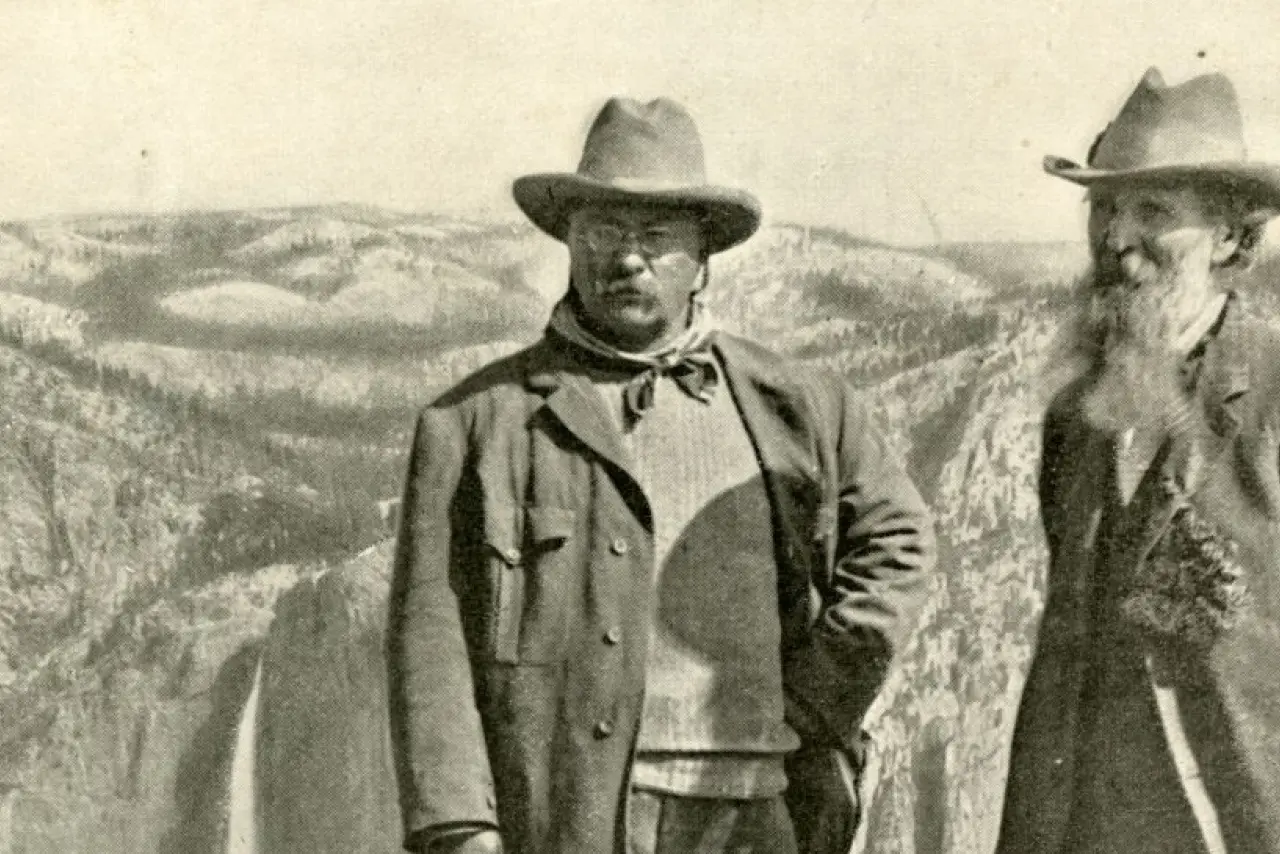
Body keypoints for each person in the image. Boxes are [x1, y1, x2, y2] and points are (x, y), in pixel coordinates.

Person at [385, 96, 936, 854]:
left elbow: (899, 543)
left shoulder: (802, 407)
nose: (627, 259)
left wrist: (815, 700)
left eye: (656, 236)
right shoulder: (476, 424)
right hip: (574, 817)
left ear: (702, 258)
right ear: (569, 242)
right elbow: (431, 636)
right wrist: (459, 826)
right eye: (602, 231)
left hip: (763, 812)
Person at [998, 68, 1280, 854]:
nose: (1116, 239)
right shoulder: (1075, 412)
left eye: (1152, 211)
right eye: (1105, 208)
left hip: (1231, 820)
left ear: (1229, 237)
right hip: (1077, 820)